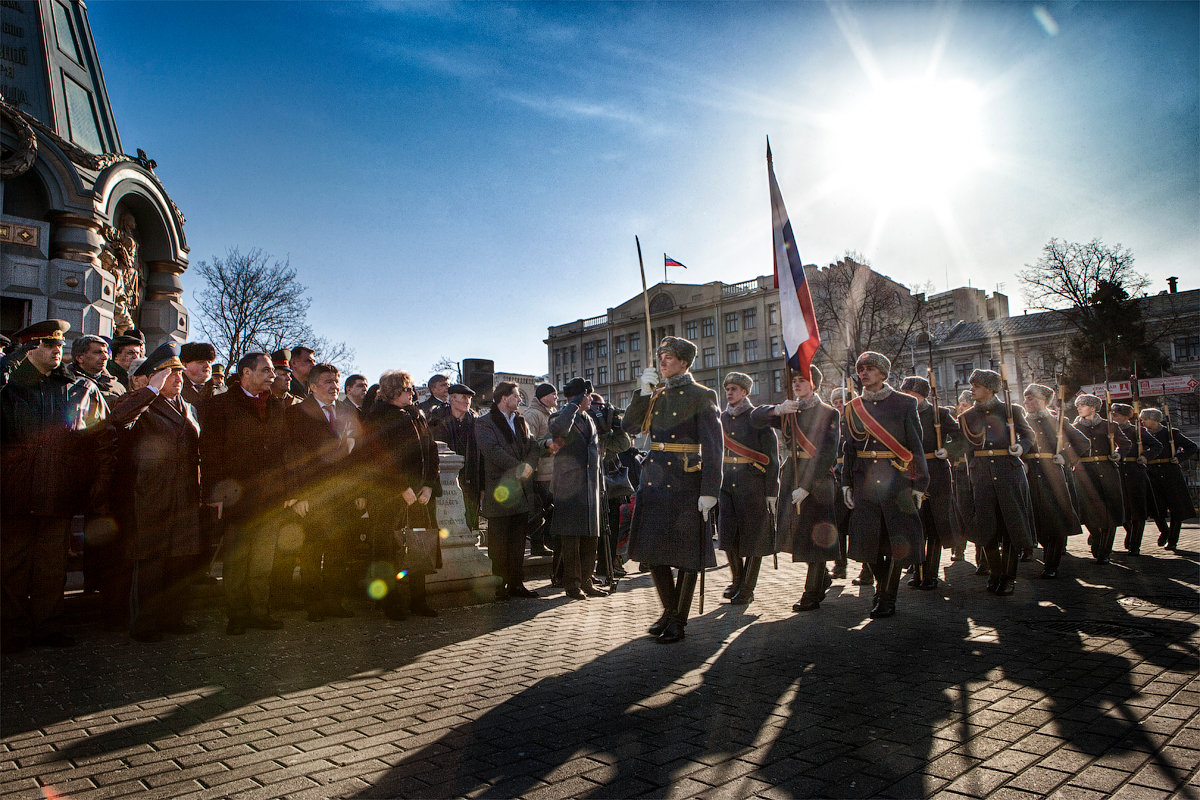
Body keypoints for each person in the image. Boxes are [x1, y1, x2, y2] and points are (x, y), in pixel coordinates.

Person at [1, 320, 112, 653]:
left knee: (51, 569)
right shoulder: (9, 387)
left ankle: (48, 628)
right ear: (30, 349)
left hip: (56, 494)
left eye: (60, 345)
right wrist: (8, 363)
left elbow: (98, 439)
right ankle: (12, 630)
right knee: (12, 569)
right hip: (14, 494)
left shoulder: (75, 387)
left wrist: (88, 486)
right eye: (49, 345)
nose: (57, 351)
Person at [621, 336, 721, 644]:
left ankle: (679, 619)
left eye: (669, 356)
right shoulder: (655, 394)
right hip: (654, 481)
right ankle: (668, 611)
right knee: (655, 552)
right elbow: (630, 426)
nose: (662, 361)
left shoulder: (702, 395)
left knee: (687, 555)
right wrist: (642, 393)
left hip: (686, 482)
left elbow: (714, 447)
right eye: (660, 356)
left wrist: (710, 490)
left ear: (684, 362)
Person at [107, 343, 203, 642]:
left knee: (180, 559)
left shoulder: (188, 407)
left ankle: (173, 617)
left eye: (179, 373)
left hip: (184, 492)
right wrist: (150, 391)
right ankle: (145, 624)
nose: (178, 379)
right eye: (169, 374)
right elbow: (117, 419)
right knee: (152, 562)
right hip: (151, 493)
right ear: (153, 377)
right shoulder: (140, 404)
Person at [200, 352, 289, 635]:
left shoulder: (275, 406)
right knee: (238, 560)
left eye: (272, 371)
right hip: (237, 497)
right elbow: (210, 452)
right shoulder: (221, 405)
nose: (272, 376)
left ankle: (260, 612)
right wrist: (214, 494)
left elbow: (284, 452)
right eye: (265, 370)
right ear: (246, 373)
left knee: (263, 559)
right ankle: (237, 615)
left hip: (270, 497)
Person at [840, 352, 928, 617]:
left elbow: (915, 446)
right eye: (861, 369)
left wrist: (919, 484)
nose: (863, 373)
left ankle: (887, 596)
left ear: (882, 373)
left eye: (869, 368)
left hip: (896, 480)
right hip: (864, 481)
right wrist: (846, 484)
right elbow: (848, 449)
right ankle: (882, 587)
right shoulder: (852, 407)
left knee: (897, 541)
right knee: (869, 541)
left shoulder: (904, 403)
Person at [754, 368, 838, 611]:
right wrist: (776, 410)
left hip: (818, 481)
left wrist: (807, 486)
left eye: (803, 381)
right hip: (791, 476)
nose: (797, 385)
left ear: (815, 384)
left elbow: (827, 454)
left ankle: (811, 594)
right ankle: (821, 578)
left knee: (818, 538)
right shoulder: (790, 411)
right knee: (797, 535)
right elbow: (755, 418)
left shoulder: (828, 413)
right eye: (794, 381)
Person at [360, 370, 443, 618]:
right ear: (393, 391)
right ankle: (390, 602)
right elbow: (377, 457)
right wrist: (400, 487)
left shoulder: (416, 415)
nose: (412, 394)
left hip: (420, 494)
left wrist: (429, 484)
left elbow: (431, 451)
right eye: (407, 389)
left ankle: (419, 600)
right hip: (389, 495)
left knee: (419, 546)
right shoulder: (377, 417)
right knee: (388, 549)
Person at [284, 363, 360, 621]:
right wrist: (298, 495)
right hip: (313, 495)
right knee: (312, 554)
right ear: (313, 386)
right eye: (328, 381)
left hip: (343, 496)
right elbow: (291, 456)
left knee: (338, 551)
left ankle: (334, 602)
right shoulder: (296, 414)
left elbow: (358, 456)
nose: (334, 386)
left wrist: (359, 491)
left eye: (336, 381)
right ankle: (314, 605)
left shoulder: (347, 413)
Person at [959, 369, 1036, 595]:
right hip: (981, 476)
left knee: (1011, 526)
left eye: (976, 386)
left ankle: (1009, 576)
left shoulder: (1011, 410)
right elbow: (965, 449)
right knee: (987, 527)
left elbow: (1029, 435)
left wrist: (1021, 448)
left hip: (1008, 473)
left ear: (990, 389)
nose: (971, 389)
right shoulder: (966, 417)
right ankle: (995, 571)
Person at [717, 372, 779, 606]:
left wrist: (772, 491)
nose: (729, 393)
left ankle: (747, 588)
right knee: (728, 536)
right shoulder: (721, 418)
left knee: (754, 538)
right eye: (728, 389)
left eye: (734, 389)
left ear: (745, 392)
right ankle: (737, 580)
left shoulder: (757, 418)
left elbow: (772, 458)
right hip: (727, 485)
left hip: (752, 484)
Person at [475, 381, 542, 600]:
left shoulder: (520, 421)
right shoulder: (485, 423)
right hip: (499, 490)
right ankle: (499, 585)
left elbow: (533, 447)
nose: (520, 399)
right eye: (516, 396)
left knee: (517, 542)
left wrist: (529, 466)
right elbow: (492, 451)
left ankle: (516, 584)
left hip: (520, 490)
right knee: (498, 542)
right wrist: (519, 467)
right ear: (504, 398)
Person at [899, 375, 963, 591]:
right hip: (911, 471)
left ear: (921, 395)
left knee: (934, 523)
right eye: (904, 394)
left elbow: (960, 437)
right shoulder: (901, 413)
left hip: (936, 471)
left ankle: (930, 574)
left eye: (910, 394)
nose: (906, 398)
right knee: (916, 524)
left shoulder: (940, 414)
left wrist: (948, 449)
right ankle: (917, 572)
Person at [547, 378, 608, 599]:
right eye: (587, 396)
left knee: (590, 536)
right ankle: (571, 584)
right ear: (579, 397)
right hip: (569, 486)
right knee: (571, 538)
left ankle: (586, 580)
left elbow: (596, 453)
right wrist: (573, 405)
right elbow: (558, 429)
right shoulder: (561, 416)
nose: (590, 399)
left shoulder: (589, 419)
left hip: (590, 486)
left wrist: (599, 485)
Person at [1022, 384, 1088, 578]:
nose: (1026, 402)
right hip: (1030, 473)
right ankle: (1044, 550)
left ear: (1043, 400)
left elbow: (1082, 442)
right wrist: (1021, 461)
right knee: (1035, 518)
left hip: (1053, 473)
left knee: (1057, 518)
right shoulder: (1021, 422)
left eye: (1031, 398)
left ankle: (1052, 565)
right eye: (1025, 398)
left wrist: (1065, 457)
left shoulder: (1059, 421)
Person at [1071, 394, 1131, 564]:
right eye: (1078, 405)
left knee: (1110, 511)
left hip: (1107, 471)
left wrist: (1118, 454)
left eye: (1082, 405)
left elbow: (1125, 444)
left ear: (1093, 407)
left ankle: (1105, 550)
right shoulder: (1075, 427)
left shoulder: (1109, 426)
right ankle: (1096, 536)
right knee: (1086, 509)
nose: (1079, 408)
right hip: (1084, 472)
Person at [1139, 407, 1198, 551]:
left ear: (1154, 420)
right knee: (1155, 508)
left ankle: (1172, 540)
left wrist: (1179, 458)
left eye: (1145, 419)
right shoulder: (1141, 435)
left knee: (1176, 508)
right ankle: (1164, 531)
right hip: (1151, 472)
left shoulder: (1170, 433)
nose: (1143, 422)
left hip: (1170, 472)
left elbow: (1191, 447)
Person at [1110, 403, 1163, 556]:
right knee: (1122, 508)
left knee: (1138, 510)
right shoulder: (1110, 430)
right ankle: (1130, 531)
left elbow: (1156, 446)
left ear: (1126, 417)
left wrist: (1145, 457)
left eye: (1116, 416)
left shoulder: (1136, 431)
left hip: (1135, 472)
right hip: (1118, 471)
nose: (1113, 418)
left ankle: (1135, 545)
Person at [430, 383, 483, 531]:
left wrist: (482, 486)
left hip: (470, 478)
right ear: (452, 400)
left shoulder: (475, 422)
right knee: (447, 523)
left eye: (469, 398)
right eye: (464, 397)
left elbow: (482, 455)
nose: (467, 401)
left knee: (470, 522)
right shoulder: (437, 420)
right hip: (445, 479)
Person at [522, 382, 559, 558]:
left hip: (551, 472)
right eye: (554, 394)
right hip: (539, 473)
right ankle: (537, 545)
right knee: (540, 511)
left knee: (550, 511)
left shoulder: (549, 414)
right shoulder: (532, 414)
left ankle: (545, 543)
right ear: (544, 397)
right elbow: (528, 443)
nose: (556, 398)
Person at [828, 386, 855, 579]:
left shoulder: (856, 423)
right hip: (837, 477)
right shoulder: (831, 426)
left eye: (841, 402)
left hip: (856, 476)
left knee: (859, 524)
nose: (839, 406)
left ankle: (867, 570)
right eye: (835, 403)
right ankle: (840, 565)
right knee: (838, 524)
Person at [67, 334, 125, 402]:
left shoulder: (117, 387)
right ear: (80, 358)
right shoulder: (66, 384)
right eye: (97, 352)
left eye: (105, 352)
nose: (105, 357)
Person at [179, 342, 217, 408]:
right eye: (201, 362)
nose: (207, 366)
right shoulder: (175, 390)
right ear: (184, 365)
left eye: (209, 362)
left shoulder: (222, 391)